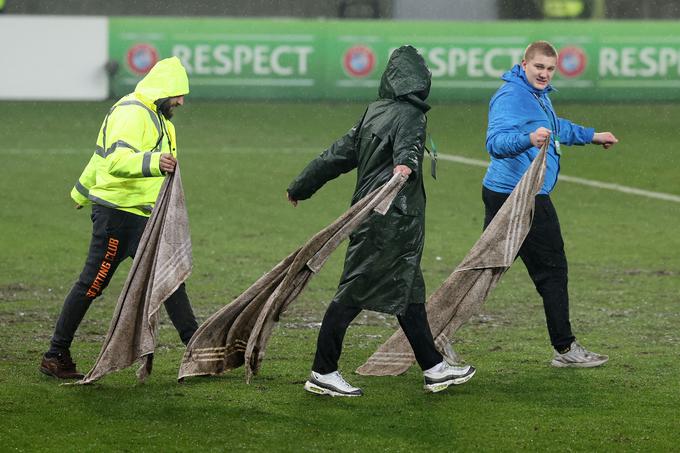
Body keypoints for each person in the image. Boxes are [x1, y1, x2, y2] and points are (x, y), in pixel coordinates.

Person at [287, 45, 476, 396]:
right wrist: (406, 164)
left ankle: (434, 368)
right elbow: (409, 148)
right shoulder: (412, 116)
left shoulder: (373, 111)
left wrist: (301, 185)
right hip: (390, 219)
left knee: (409, 293)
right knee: (353, 293)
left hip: (378, 217)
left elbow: (336, 155)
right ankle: (322, 371)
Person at [39, 57, 198, 379]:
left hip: (142, 216)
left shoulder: (157, 116)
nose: (181, 101)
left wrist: (80, 192)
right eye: (178, 94)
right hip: (118, 217)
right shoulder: (132, 113)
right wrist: (156, 163)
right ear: (163, 90)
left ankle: (197, 348)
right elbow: (114, 159)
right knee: (92, 284)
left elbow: (98, 155)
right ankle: (55, 354)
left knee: (169, 280)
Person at [483, 40, 618, 367]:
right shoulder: (511, 96)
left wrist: (592, 135)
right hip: (521, 197)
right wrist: (527, 140)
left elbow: (556, 130)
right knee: (552, 271)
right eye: (539, 67)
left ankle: (436, 341)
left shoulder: (534, 95)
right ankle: (565, 348)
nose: (544, 73)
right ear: (524, 64)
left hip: (514, 193)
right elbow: (495, 143)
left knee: (485, 271)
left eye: (549, 68)